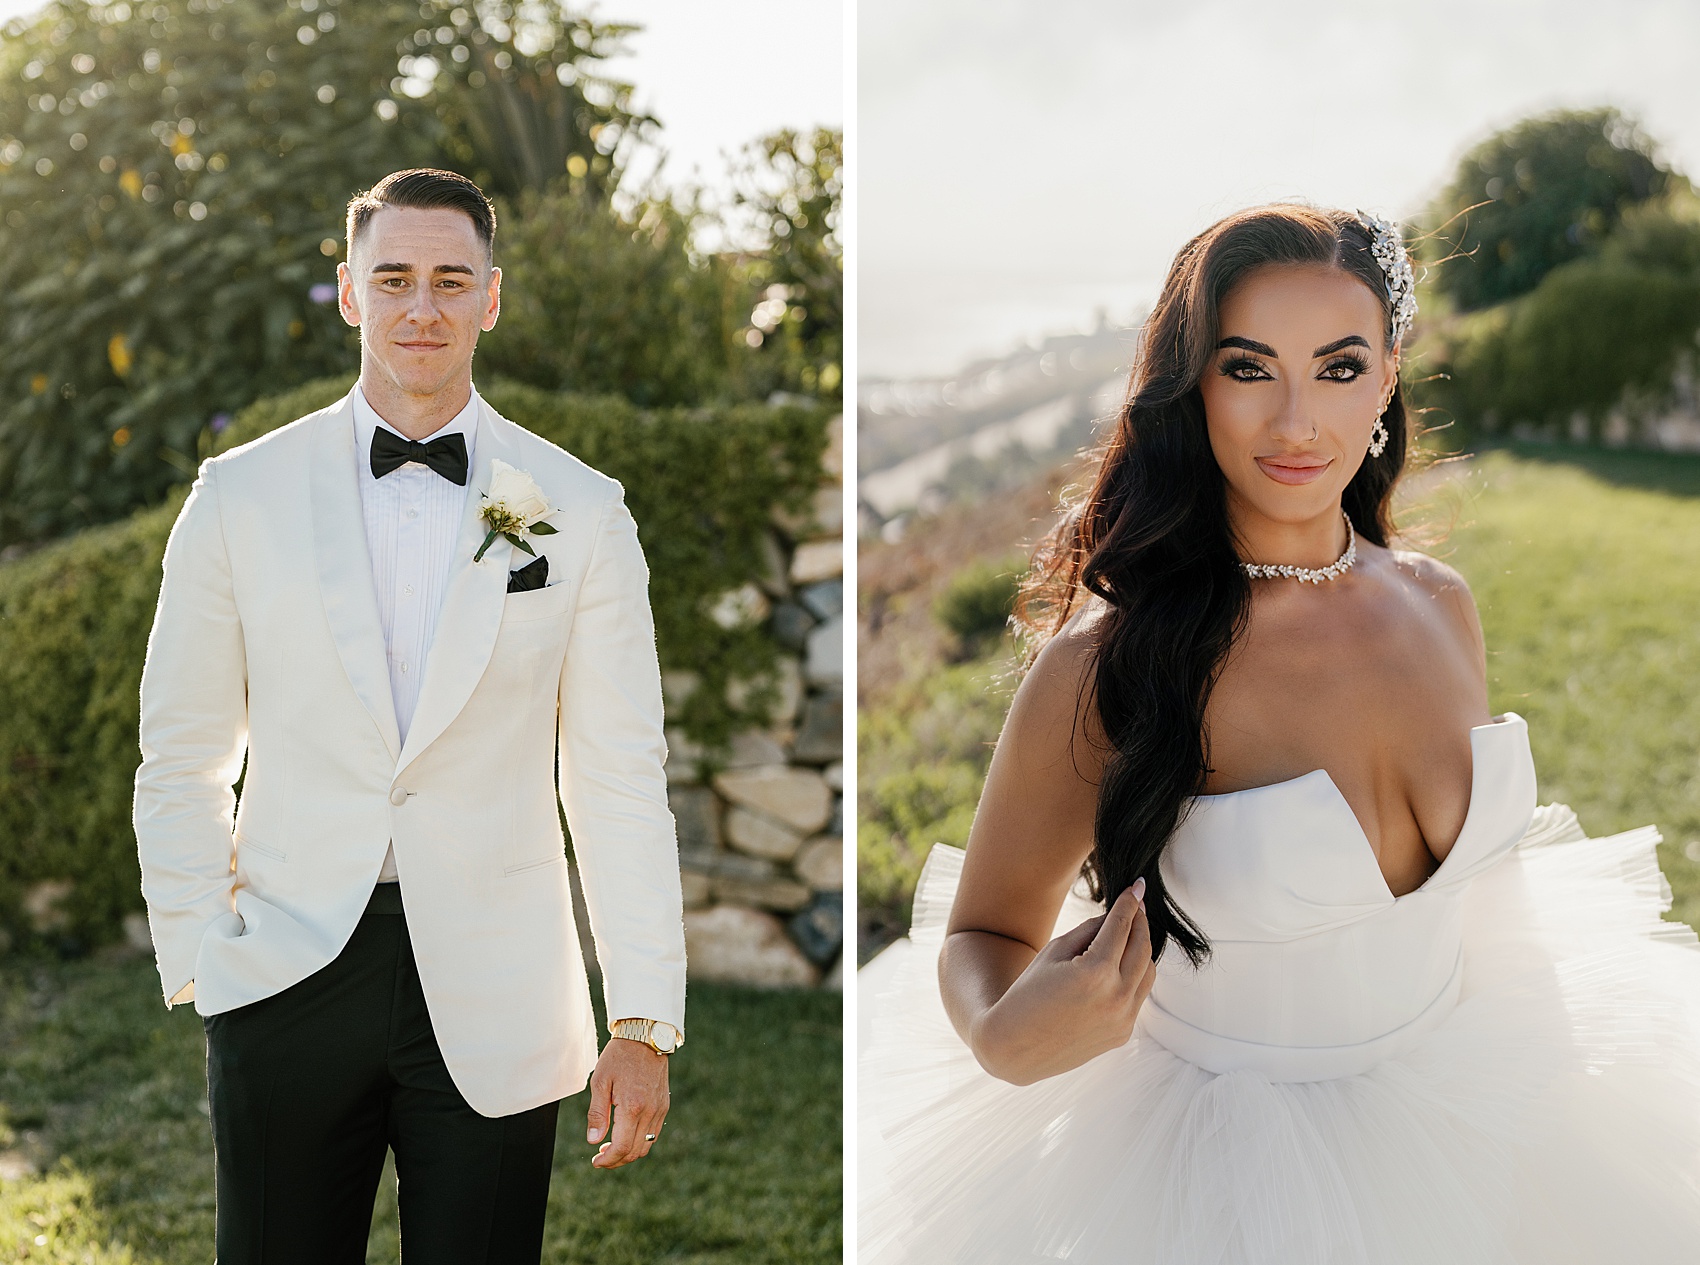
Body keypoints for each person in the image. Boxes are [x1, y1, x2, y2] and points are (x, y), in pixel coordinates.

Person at [858, 204, 1700, 1262]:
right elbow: (981, 935)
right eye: (1248, 369)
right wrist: (1001, 1034)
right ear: (1191, 387)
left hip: (1484, 1108)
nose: (1296, 421)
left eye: (1337, 368)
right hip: (1212, 1178)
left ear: (1388, 376)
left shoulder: (1440, 603)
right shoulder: (1109, 662)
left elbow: (1484, 898)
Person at [133, 167, 686, 1262]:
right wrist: (203, 952)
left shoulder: (576, 507)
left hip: (501, 982)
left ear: (492, 296)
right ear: (349, 294)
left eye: (449, 279)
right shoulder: (237, 494)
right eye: (392, 279)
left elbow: (618, 774)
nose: (420, 308)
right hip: (285, 973)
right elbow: (183, 747)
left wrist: (640, 1017)